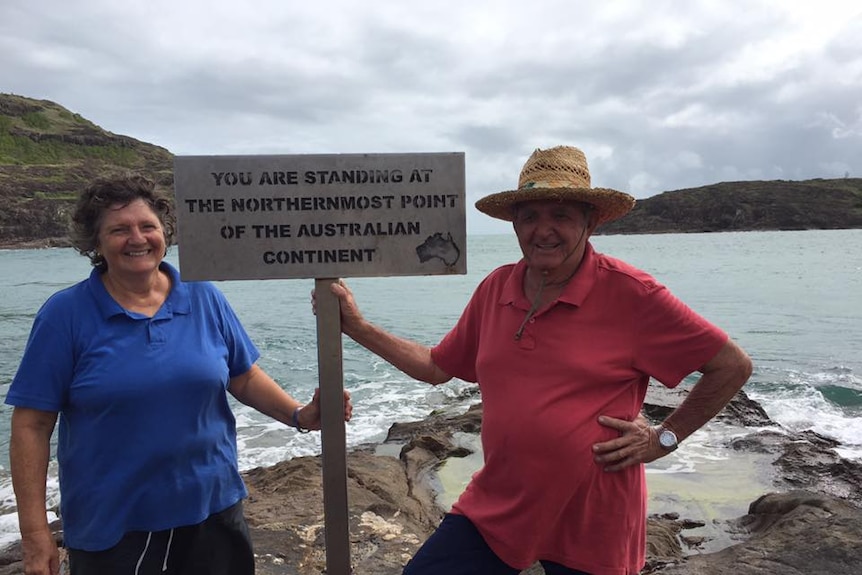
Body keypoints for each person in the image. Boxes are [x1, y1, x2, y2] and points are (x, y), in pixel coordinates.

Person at [324, 146, 753, 575]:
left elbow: (731, 365)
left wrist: (664, 439)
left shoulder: (632, 294)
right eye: (530, 216)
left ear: (590, 221)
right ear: (515, 224)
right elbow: (438, 367)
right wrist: (358, 327)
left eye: (561, 216)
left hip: (592, 516)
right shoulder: (496, 288)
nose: (543, 230)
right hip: (500, 503)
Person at [6, 174, 352, 575]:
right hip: (115, 525)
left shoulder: (203, 295)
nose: (137, 238)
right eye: (119, 230)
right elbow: (32, 424)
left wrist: (298, 415)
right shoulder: (65, 315)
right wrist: (35, 535)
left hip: (213, 510)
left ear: (164, 232)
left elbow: (241, 375)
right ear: (95, 243)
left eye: (147, 226)